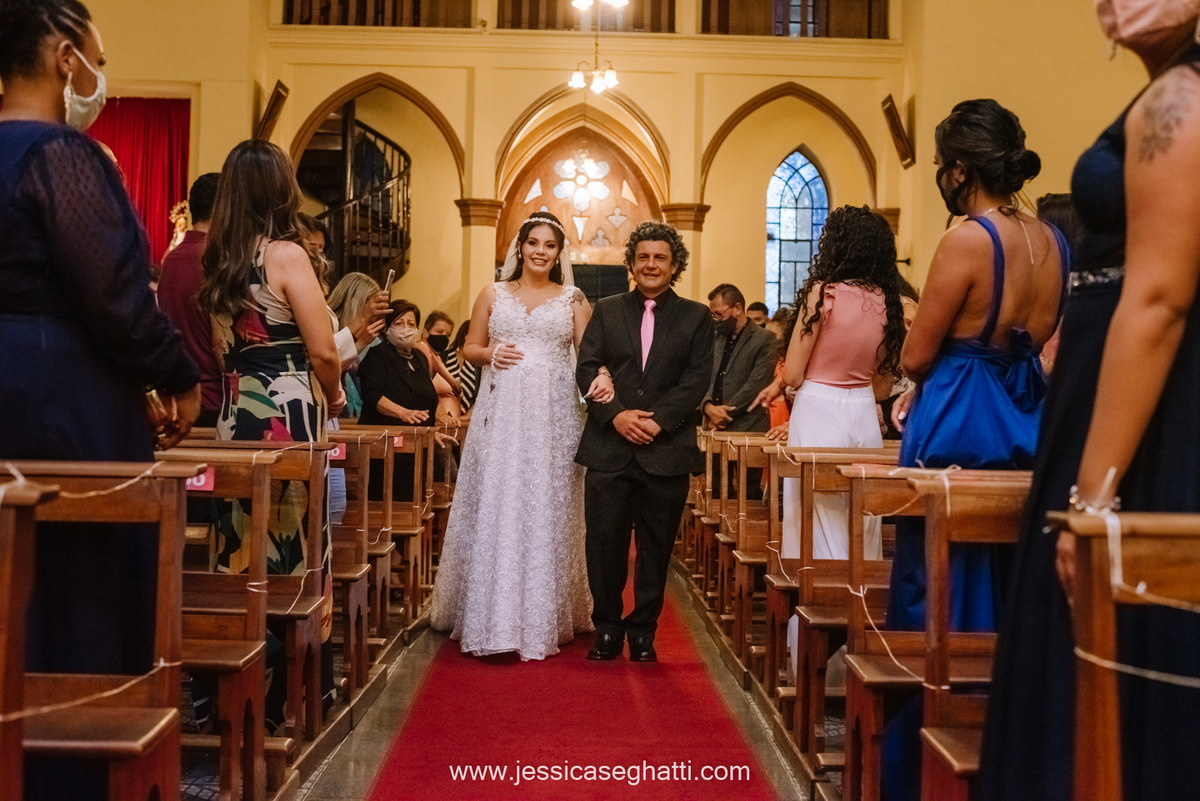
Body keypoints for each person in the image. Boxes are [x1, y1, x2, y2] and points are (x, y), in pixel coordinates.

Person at [979, 9, 1200, 801]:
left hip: (1150, 420)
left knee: (1111, 652)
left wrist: (1094, 500)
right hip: (1126, 402)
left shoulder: (1183, 95)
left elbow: (1160, 299)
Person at [0, 2, 201, 795]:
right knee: (72, 581)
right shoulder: (61, 154)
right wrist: (174, 373)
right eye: (97, 58)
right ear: (64, 56)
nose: (99, 77)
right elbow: (114, 293)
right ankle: (65, 773)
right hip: (55, 394)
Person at [881, 99, 1070, 801]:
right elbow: (1044, 338)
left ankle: (925, 767)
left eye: (940, 166)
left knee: (940, 590)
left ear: (959, 170)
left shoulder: (967, 240)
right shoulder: (1053, 241)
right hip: (1025, 417)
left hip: (960, 415)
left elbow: (917, 354)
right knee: (1014, 585)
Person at [199, 138, 346, 731]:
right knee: (296, 542)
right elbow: (322, 349)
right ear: (281, 189)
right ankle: (295, 692)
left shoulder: (219, 260)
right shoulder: (286, 255)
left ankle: (232, 691)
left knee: (240, 544)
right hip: (287, 408)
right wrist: (334, 393)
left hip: (237, 410)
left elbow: (221, 349)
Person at [430, 211, 604, 660]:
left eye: (549, 245)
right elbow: (469, 347)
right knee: (499, 497)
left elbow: (589, 356)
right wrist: (490, 353)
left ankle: (546, 612)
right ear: (520, 247)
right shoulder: (493, 293)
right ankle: (492, 610)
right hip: (502, 409)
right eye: (533, 243)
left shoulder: (573, 300)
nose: (540, 251)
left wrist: (603, 378)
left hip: (553, 414)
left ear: (559, 254)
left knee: (547, 502)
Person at [575, 221, 714, 663]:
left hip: (665, 450)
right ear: (632, 264)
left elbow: (696, 379)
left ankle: (642, 633)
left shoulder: (696, 316)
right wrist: (615, 415)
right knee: (604, 547)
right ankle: (607, 628)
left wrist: (660, 422)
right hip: (609, 449)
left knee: (655, 549)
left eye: (660, 258)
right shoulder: (607, 309)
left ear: (674, 266)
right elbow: (587, 366)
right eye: (643, 257)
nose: (651, 264)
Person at [768, 205, 905, 561]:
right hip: (864, 412)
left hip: (818, 409)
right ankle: (859, 593)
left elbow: (792, 375)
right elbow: (883, 388)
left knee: (815, 516)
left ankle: (815, 593)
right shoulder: (888, 302)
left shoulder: (823, 293)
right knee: (863, 515)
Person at [159, 172, 222, 426]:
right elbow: (221, 344)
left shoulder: (170, 260)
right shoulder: (217, 259)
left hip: (181, 396)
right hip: (217, 399)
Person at [702, 283, 777, 433]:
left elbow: (755, 385)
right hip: (710, 423)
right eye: (713, 315)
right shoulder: (713, 337)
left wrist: (722, 415)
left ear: (737, 309)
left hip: (746, 426)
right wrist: (707, 407)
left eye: (719, 314)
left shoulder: (765, 339)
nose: (716, 320)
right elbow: (701, 374)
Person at [327, 271, 388, 418]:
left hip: (353, 411)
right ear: (356, 302)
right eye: (372, 304)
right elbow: (327, 370)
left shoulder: (374, 339)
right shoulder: (328, 326)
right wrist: (360, 343)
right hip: (331, 407)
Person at [442, 319, 481, 412]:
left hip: (468, 416)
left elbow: (480, 397)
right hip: (442, 414)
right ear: (465, 335)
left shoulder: (479, 364)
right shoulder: (445, 356)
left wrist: (466, 417)